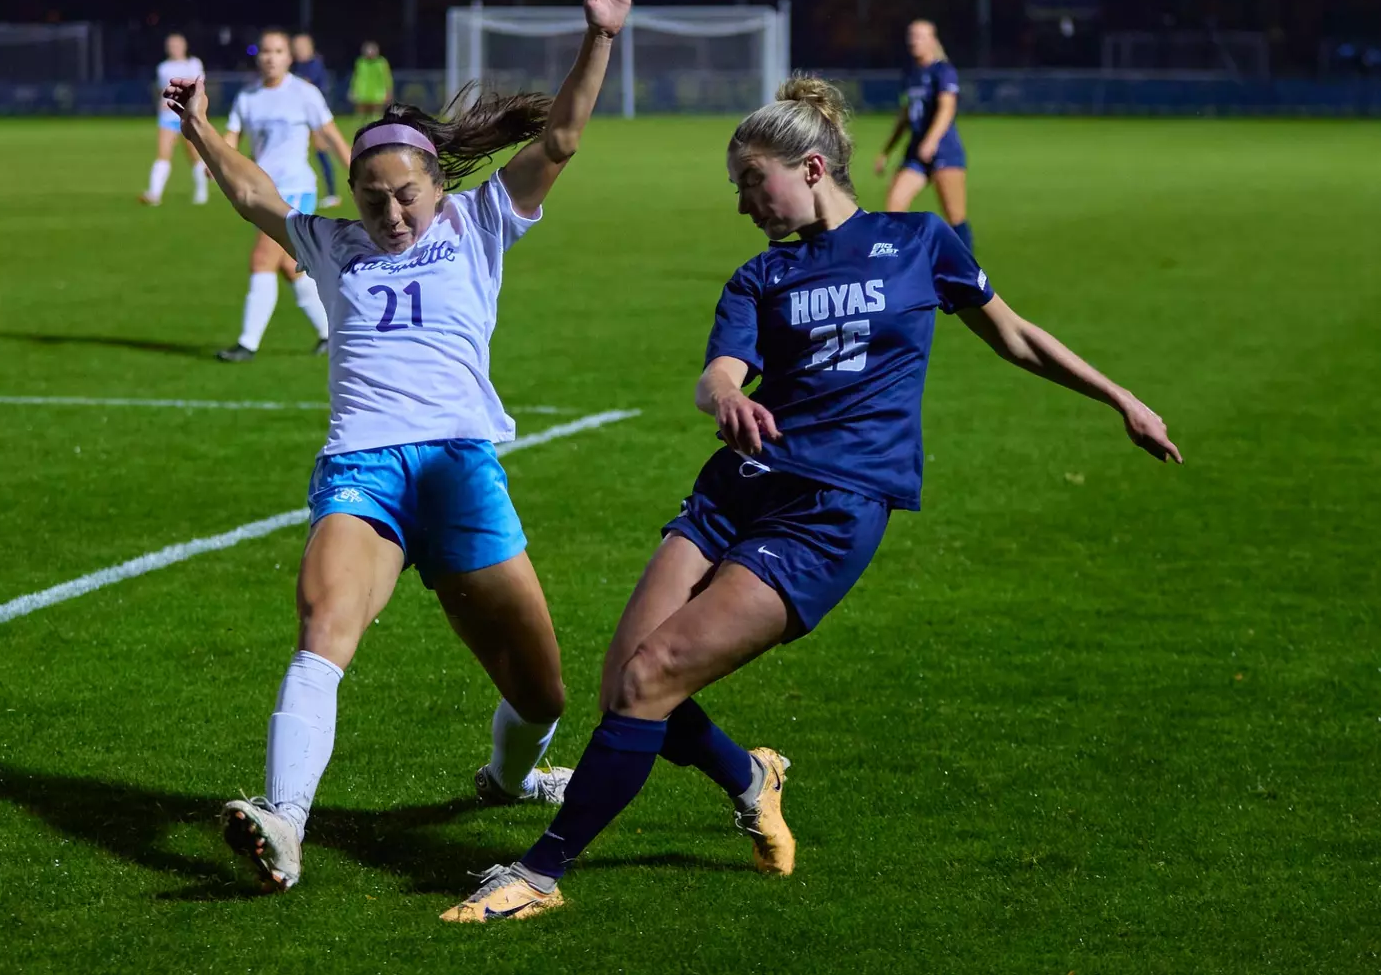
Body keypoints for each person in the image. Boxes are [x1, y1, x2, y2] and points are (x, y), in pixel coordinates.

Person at [442, 76, 1181, 923]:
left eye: (752, 185)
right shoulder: (762, 274)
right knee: (625, 685)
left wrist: (1120, 398)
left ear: (812, 166)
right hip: (736, 490)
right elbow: (719, 371)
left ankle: (540, 874)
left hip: (830, 509)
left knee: (652, 678)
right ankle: (749, 778)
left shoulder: (918, 243)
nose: (744, 205)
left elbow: (1014, 335)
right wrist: (724, 397)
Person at [162, 0, 636, 894]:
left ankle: (508, 777)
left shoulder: (480, 223)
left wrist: (598, 37)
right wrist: (205, 129)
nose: (390, 213)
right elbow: (256, 195)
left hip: (461, 469)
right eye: (373, 197)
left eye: (405, 195)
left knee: (540, 691)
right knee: (324, 623)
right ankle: (284, 823)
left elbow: (563, 140)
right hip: (364, 469)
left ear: (438, 185)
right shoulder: (333, 243)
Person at [218, 29, 353, 362]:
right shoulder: (248, 97)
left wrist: (358, 173)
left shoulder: (304, 93)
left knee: (262, 259)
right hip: (260, 190)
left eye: (278, 51)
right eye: (265, 51)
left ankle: (247, 344)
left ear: (288, 58)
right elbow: (231, 138)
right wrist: (217, 162)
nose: (270, 57)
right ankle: (330, 333)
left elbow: (332, 136)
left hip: (295, 189)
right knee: (289, 266)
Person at [874, 20, 973, 252]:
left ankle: (967, 270)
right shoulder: (910, 74)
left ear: (932, 40)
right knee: (894, 205)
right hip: (916, 152)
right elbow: (906, 115)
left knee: (955, 216)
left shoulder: (943, 71)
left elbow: (947, 108)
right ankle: (899, 259)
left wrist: (931, 140)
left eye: (919, 36)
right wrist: (886, 151)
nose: (913, 40)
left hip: (944, 151)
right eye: (911, 35)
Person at [140, 33, 209, 206]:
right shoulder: (163, 67)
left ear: (184, 46)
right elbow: (162, 91)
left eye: (177, 45)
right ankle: (154, 194)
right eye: (171, 45)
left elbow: (197, 86)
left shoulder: (194, 64)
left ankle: (201, 192)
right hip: (167, 116)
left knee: (193, 154)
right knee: (163, 154)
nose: (174, 48)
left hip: (188, 114)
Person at [291, 33, 343, 209]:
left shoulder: (313, 65)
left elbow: (305, 85)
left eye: (301, 47)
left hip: (317, 118)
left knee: (322, 152)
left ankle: (332, 193)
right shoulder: (300, 65)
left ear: (309, 47)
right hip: (303, 116)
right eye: (295, 47)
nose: (297, 50)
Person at [348, 40, 394, 118]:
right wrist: (353, 90)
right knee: (361, 115)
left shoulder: (381, 62)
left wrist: (388, 92)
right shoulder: (360, 62)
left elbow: (387, 78)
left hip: (377, 93)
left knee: (376, 116)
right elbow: (356, 77)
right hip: (362, 92)